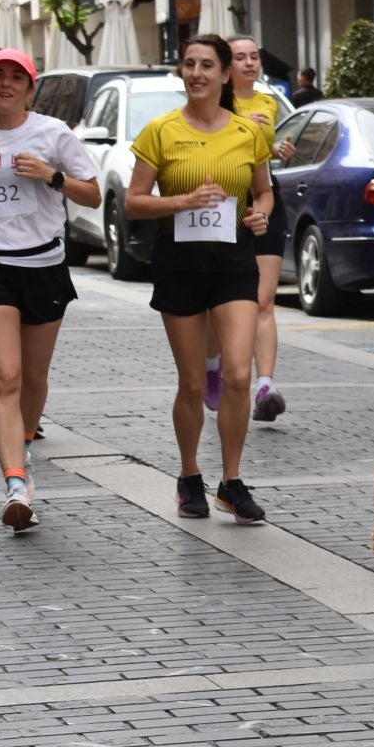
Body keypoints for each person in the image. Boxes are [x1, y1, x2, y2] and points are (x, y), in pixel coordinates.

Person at [0, 44, 100, 531]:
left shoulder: (52, 134)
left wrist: (52, 176)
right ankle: (13, 482)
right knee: (4, 375)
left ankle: (23, 444)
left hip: (44, 263)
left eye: (16, 77)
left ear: (30, 87)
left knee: (32, 377)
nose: (5, 84)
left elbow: (90, 191)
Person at [124, 33, 275, 525]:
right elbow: (134, 201)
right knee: (192, 383)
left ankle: (231, 481)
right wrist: (181, 202)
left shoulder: (247, 132)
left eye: (207, 65)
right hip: (180, 264)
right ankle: (190, 475)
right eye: (189, 64)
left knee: (236, 374)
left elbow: (264, 193)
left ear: (226, 74)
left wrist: (260, 216)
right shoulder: (160, 132)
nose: (196, 73)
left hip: (233, 260)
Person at [200, 34, 297, 425]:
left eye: (254, 56)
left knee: (263, 300)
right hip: (224, 204)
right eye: (240, 57)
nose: (249, 63)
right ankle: (212, 365)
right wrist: (241, 125)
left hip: (266, 201)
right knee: (217, 301)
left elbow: (260, 155)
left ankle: (265, 386)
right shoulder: (213, 102)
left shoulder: (269, 101)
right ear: (226, 68)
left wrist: (277, 151)